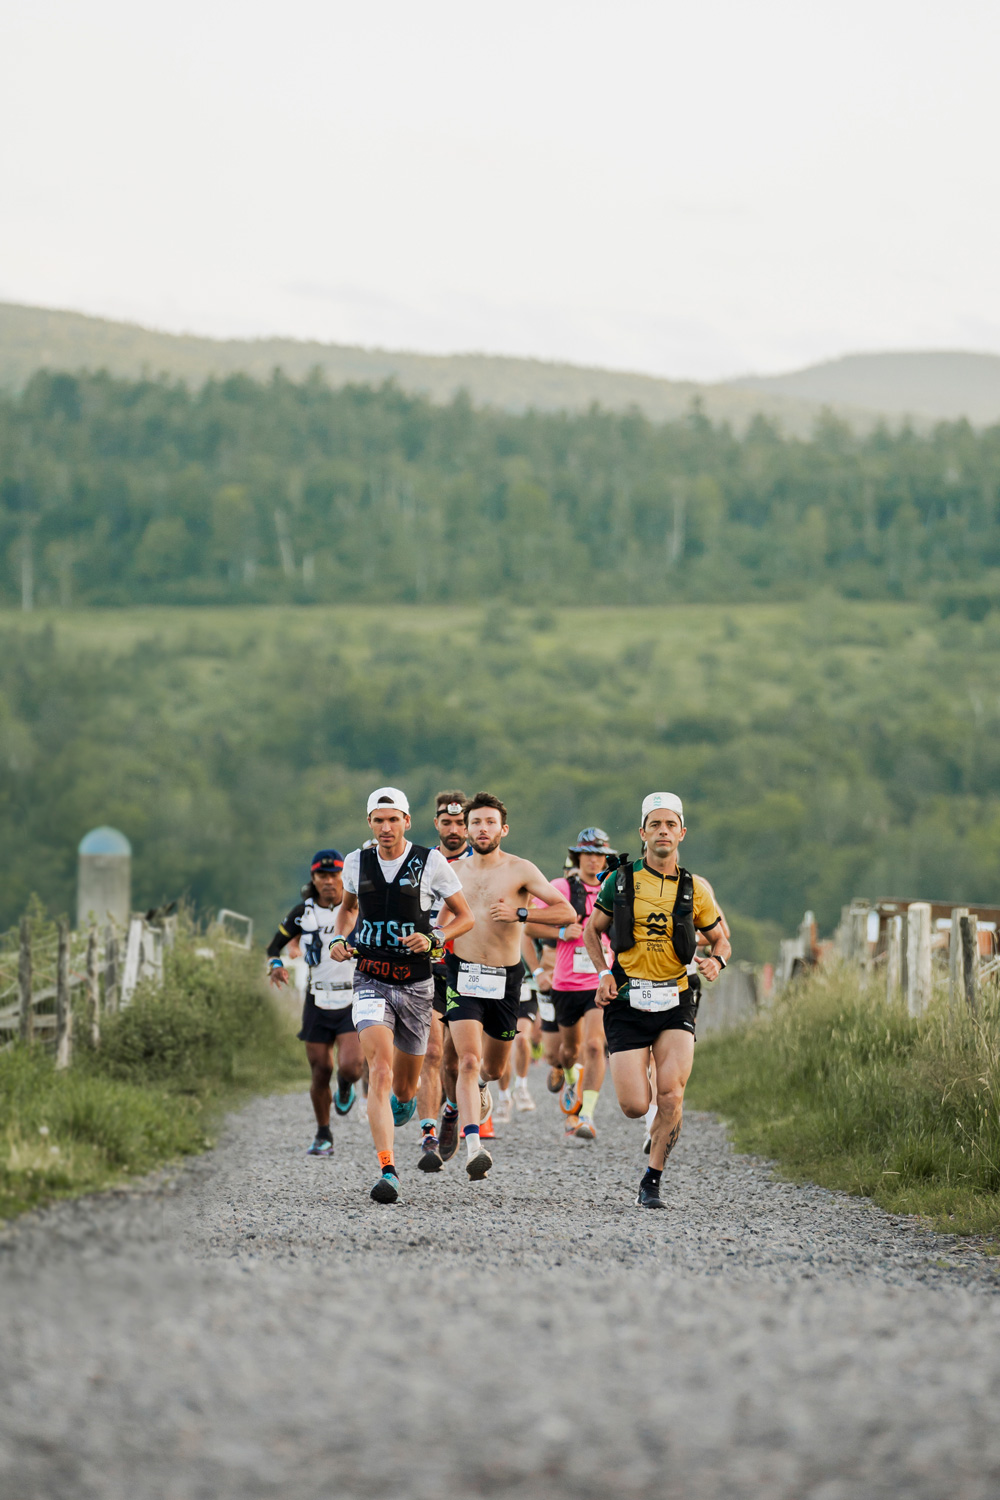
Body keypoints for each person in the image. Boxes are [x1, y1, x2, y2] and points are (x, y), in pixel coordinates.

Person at [584, 793, 731, 1209]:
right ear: (643, 833)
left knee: (671, 1095)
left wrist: (717, 960)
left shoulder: (695, 888)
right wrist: (602, 974)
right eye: (655, 824)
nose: (663, 831)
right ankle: (656, 1125)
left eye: (671, 825)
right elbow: (592, 931)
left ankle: (652, 1179)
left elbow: (721, 938)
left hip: (676, 998)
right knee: (635, 1106)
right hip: (627, 998)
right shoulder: (621, 881)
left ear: (681, 833)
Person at [331, 787, 475, 1204]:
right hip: (370, 976)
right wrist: (341, 937)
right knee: (378, 1069)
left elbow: (465, 917)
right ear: (370, 824)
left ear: (407, 822)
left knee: (406, 1089)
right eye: (379, 820)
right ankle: (387, 1169)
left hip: (415, 985)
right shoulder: (357, 862)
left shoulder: (429, 861)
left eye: (394, 819)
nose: (386, 827)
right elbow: (348, 908)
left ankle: (407, 1105)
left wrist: (435, 937)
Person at [439, 792, 575, 1179]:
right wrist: (434, 938)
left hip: (505, 978)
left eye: (490, 823)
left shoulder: (521, 870)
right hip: (462, 973)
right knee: (466, 1059)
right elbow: (441, 917)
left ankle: (468, 1096)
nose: (483, 829)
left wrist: (521, 912)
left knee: (494, 1069)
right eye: (476, 822)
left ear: (503, 829)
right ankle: (473, 1145)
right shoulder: (454, 873)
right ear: (466, 829)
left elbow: (567, 912)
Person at [267, 850, 362, 1157]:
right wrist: (275, 965)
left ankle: (346, 1084)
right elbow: (274, 947)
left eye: (335, 875)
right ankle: (323, 1134)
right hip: (317, 998)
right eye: (323, 876)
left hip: (350, 997)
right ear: (314, 879)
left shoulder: (356, 910)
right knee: (320, 1070)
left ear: (343, 878)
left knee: (351, 1066)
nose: (329, 882)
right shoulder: (301, 913)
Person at [533, 828, 616, 1143]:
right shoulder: (561, 887)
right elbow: (528, 928)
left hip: (599, 980)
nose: (594, 860)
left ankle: (587, 1115)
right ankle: (570, 1078)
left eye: (599, 855)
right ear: (578, 857)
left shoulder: (614, 888)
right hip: (565, 983)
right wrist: (559, 933)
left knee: (595, 1046)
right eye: (588, 854)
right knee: (567, 1051)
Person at [416, 790, 473, 1172]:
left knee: (457, 1062)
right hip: (430, 968)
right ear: (436, 824)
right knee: (433, 1053)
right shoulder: (420, 862)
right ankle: (428, 1136)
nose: (454, 829)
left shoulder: (483, 865)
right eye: (446, 822)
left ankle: (452, 1108)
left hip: (470, 969)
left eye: (460, 822)